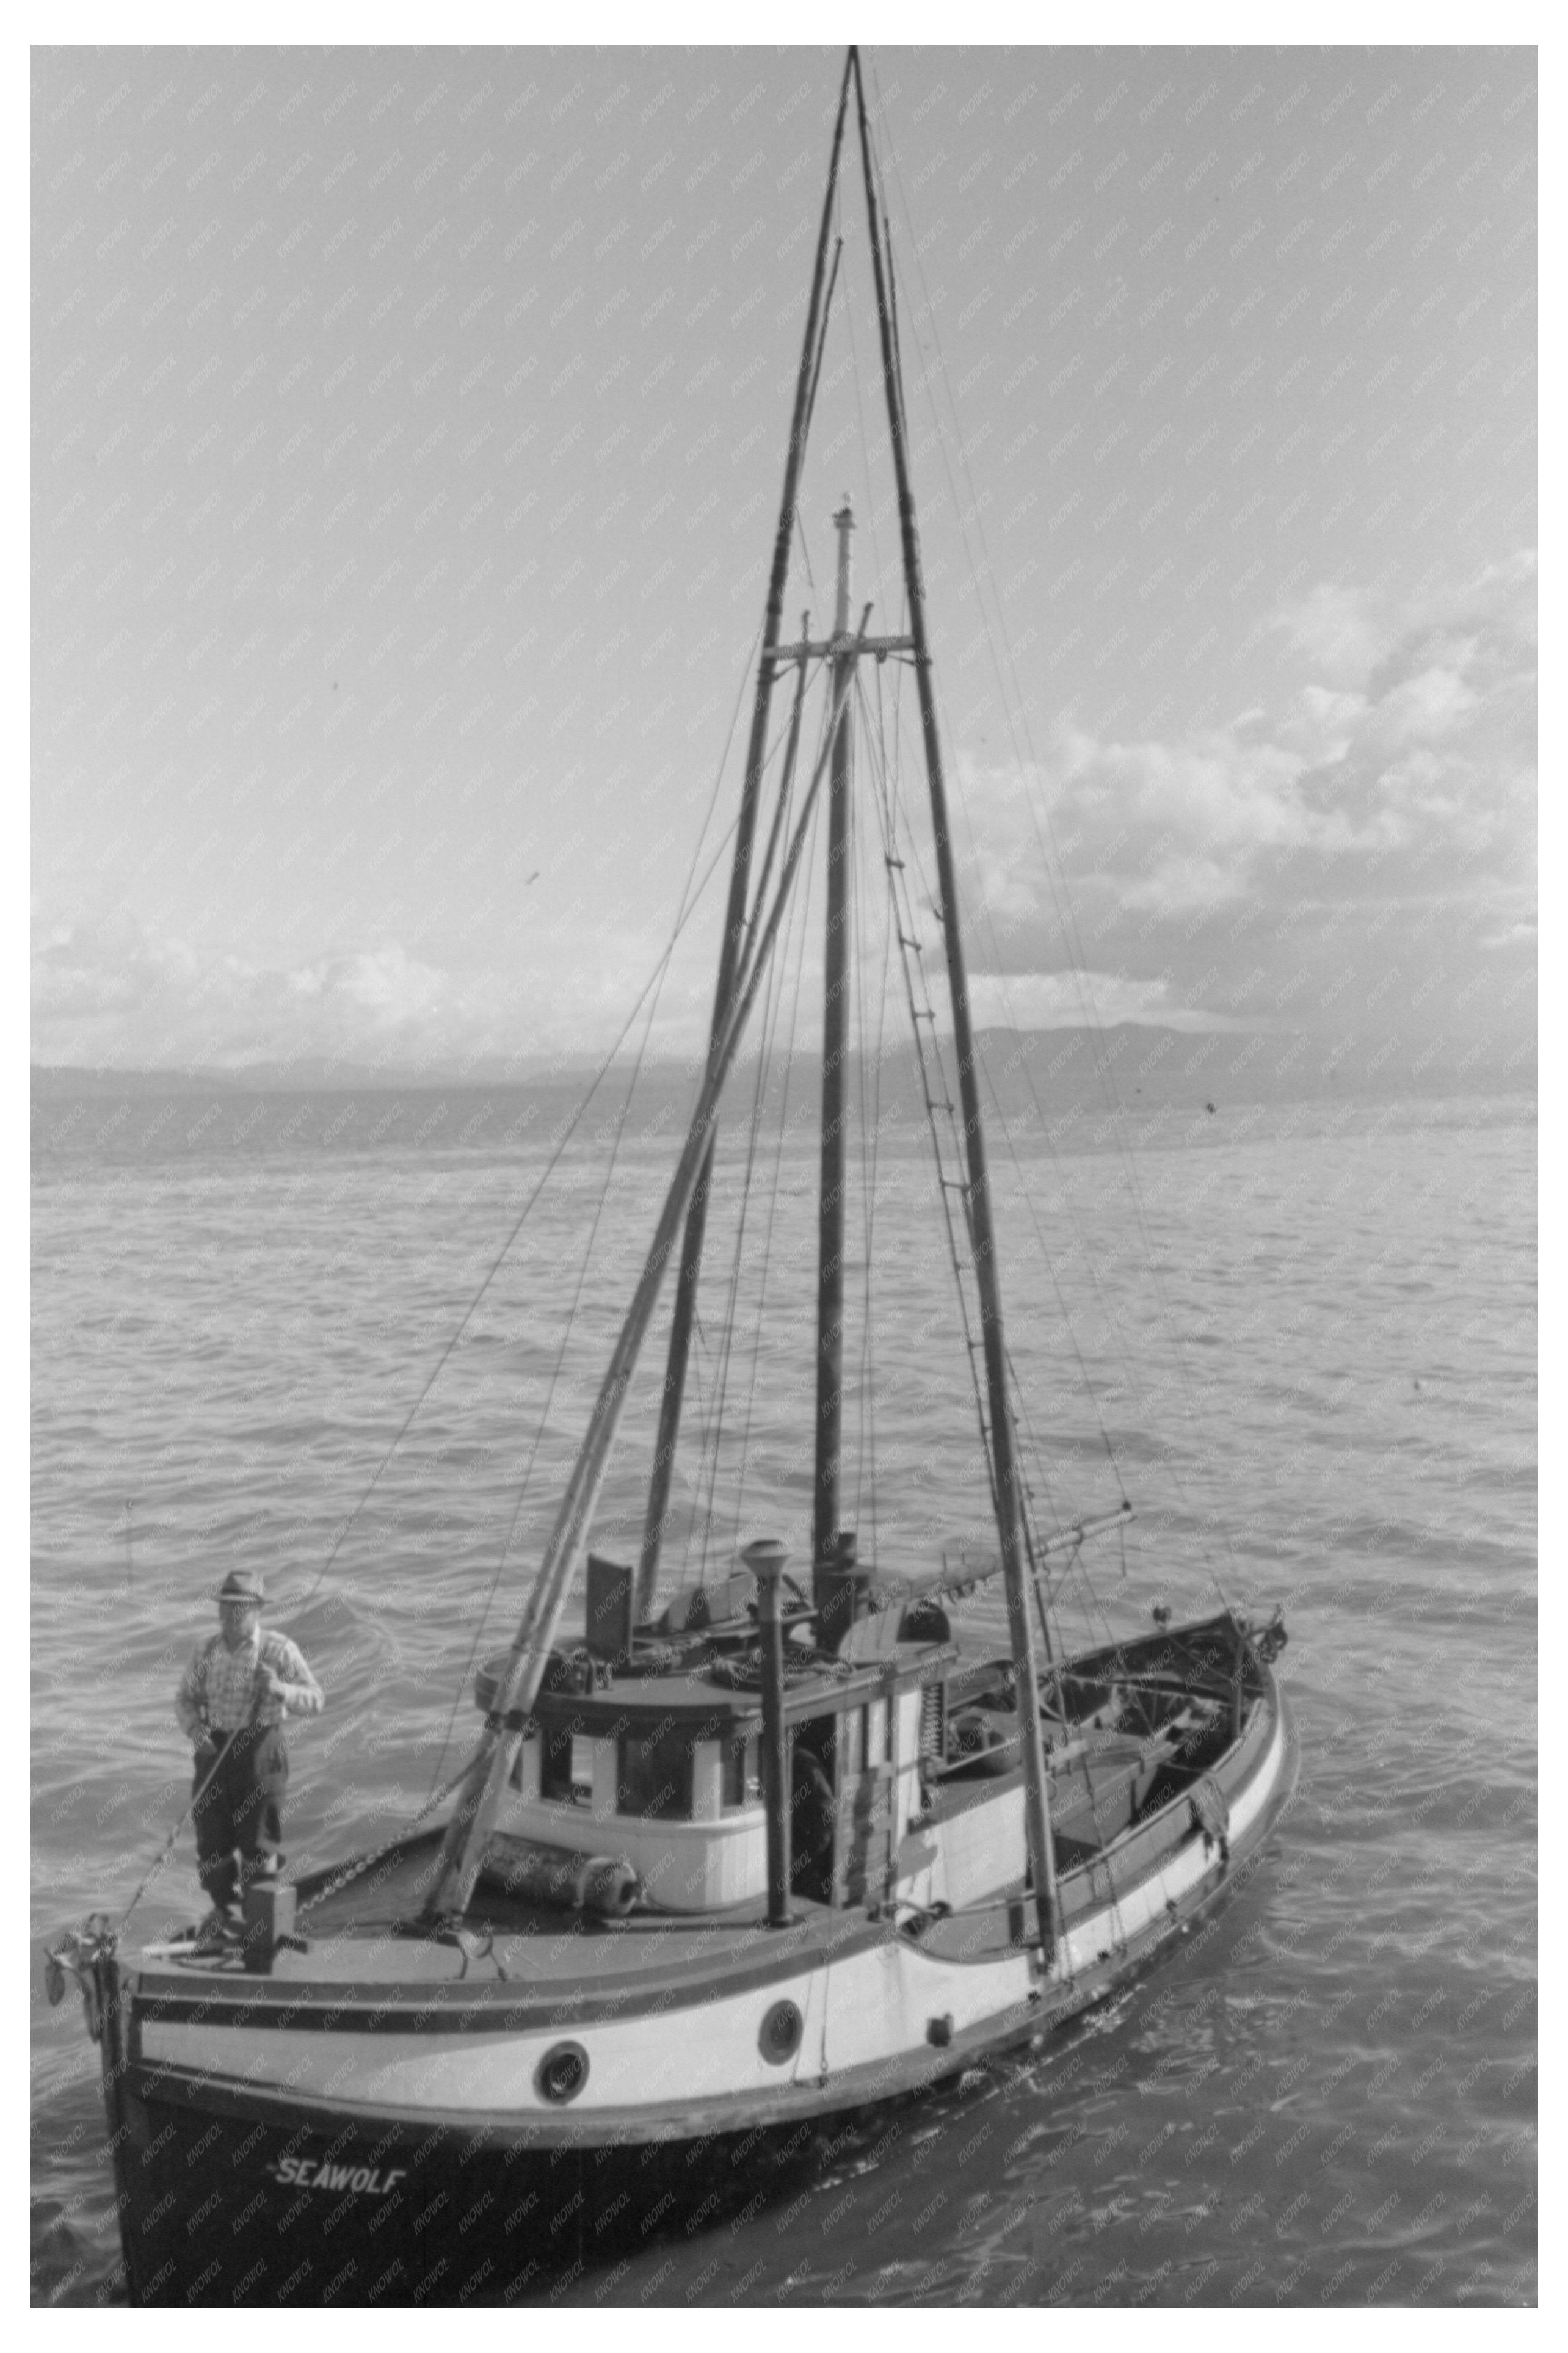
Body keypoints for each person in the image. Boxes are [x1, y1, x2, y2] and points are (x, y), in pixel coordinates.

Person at [175, 1568, 323, 1945]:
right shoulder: (205, 1650)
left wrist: (280, 1689)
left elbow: (315, 1700)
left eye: (240, 1609)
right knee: (212, 1840)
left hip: (261, 1755)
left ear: (258, 1610)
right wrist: (196, 1731)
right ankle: (224, 1911)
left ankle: (263, 1926)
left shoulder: (278, 1649)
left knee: (259, 1842)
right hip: (214, 1753)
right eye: (226, 1608)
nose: (230, 1616)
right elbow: (185, 1701)